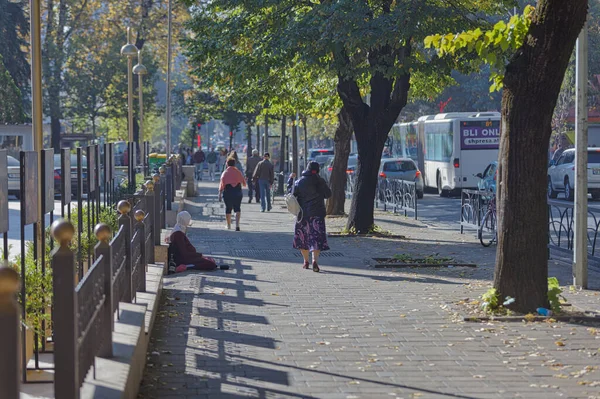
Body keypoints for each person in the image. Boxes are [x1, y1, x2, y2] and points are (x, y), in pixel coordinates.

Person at [290, 162, 332, 273]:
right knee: (316, 238)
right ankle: (315, 261)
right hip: (317, 214)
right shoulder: (320, 181)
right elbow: (328, 194)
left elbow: (292, 194)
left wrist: (290, 180)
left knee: (303, 238)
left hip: (303, 215)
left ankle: (305, 261)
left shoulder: (300, 182)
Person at [219, 158, 246, 231]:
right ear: (234, 164)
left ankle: (228, 225)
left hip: (228, 192)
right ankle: (237, 225)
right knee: (237, 208)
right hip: (237, 192)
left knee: (228, 208)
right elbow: (244, 183)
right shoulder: (238, 172)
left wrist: (220, 193)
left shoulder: (225, 172)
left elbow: (222, 184)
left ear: (227, 164)